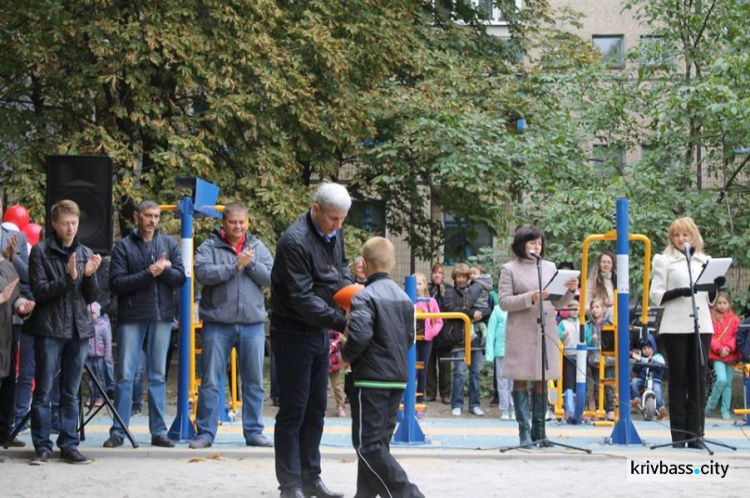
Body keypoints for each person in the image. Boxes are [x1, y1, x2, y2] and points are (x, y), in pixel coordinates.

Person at [270, 182, 351, 498]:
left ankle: (311, 477)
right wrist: (342, 319)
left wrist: (349, 296)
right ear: (316, 209)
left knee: (317, 406)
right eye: (333, 219)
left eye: (342, 219)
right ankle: (290, 484)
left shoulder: (334, 231)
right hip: (292, 330)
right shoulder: (294, 241)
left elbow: (340, 267)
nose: (338, 226)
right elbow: (302, 298)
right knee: (294, 409)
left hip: (319, 329)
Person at [342, 236, 424, 498]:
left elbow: (360, 336)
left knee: (368, 447)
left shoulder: (364, 297)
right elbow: (409, 338)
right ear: (392, 264)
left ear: (363, 265)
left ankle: (408, 494)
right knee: (378, 444)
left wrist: (346, 355)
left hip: (370, 379)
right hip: (397, 377)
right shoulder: (405, 299)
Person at [188, 202, 274, 449]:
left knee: (254, 380)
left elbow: (272, 278)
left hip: (252, 324)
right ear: (223, 223)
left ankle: (254, 431)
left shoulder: (257, 247)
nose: (238, 227)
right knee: (211, 380)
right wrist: (233, 266)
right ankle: (205, 432)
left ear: (248, 223)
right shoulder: (209, 246)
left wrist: (250, 265)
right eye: (233, 222)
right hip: (217, 323)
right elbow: (203, 274)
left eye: (242, 222)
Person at [103, 200, 185, 449]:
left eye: (157, 216)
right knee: (126, 376)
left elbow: (180, 277)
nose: (153, 220)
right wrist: (151, 272)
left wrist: (164, 271)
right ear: (137, 216)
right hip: (132, 318)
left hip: (161, 318)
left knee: (158, 376)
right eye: (148, 215)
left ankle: (158, 431)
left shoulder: (169, 243)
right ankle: (119, 430)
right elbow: (116, 284)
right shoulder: (124, 247)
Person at [27, 200, 101, 465]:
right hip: (49, 328)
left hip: (78, 329)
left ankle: (69, 445)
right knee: (44, 390)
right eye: (66, 223)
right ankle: (42, 447)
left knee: (71, 391)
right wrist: (70, 278)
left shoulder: (85, 252)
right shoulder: (39, 251)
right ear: (55, 224)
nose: (71, 228)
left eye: (75, 223)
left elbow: (92, 297)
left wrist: (90, 276)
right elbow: (41, 291)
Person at [498, 226, 577, 446]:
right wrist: (529, 298)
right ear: (521, 244)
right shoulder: (509, 269)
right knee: (521, 378)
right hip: (521, 330)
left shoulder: (550, 267)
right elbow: (503, 302)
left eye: (540, 243)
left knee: (543, 378)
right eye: (532, 243)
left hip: (546, 329)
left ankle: (540, 432)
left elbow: (557, 303)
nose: (537, 247)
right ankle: (524, 433)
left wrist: (570, 291)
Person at [649, 216, 720, 449]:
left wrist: (714, 287)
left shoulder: (705, 261)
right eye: (677, 235)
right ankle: (679, 435)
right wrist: (681, 291)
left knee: (698, 380)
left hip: (702, 326)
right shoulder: (663, 260)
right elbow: (656, 295)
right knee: (678, 380)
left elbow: (710, 300)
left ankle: (697, 434)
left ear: (694, 237)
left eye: (685, 235)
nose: (681, 239)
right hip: (675, 326)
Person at [0, 198, 31, 448]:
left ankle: (4, 431)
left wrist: (21, 303)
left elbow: (23, 277)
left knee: (9, 375)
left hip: (8, 323)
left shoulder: (14, 237)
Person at [443, 263, 489, 417]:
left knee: (475, 371)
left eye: (464, 276)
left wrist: (481, 313)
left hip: (476, 337)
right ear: (454, 277)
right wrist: (470, 313)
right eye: (459, 276)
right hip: (458, 337)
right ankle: (457, 404)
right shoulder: (450, 292)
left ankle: (475, 404)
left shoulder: (476, 288)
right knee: (460, 372)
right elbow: (450, 308)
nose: (461, 279)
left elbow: (488, 307)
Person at [706, 291, 740, 420]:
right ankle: (711, 404)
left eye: (724, 303)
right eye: (719, 303)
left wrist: (729, 348)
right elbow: (711, 337)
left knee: (728, 384)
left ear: (729, 304)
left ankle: (725, 410)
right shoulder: (712, 319)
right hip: (718, 355)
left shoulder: (735, 320)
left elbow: (738, 336)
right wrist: (720, 349)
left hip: (731, 355)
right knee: (721, 379)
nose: (721, 305)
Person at [558, 295, 589, 420]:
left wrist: (592, 339)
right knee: (569, 382)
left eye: (576, 308)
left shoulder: (583, 323)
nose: (574, 311)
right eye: (571, 308)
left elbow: (588, 337)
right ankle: (568, 409)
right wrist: (562, 334)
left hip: (581, 357)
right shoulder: (563, 323)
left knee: (580, 383)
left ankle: (580, 409)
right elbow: (557, 335)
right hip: (569, 356)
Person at [413, 273, 442, 406]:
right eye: (414, 284)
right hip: (411, 340)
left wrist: (432, 333)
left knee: (423, 369)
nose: (417, 287)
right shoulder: (407, 300)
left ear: (425, 285)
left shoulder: (431, 302)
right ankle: (409, 398)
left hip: (426, 339)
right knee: (411, 370)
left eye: (419, 284)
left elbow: (439, 321)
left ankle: (420, 398)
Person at [586, 297, 615, 420]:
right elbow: (587, 342)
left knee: (609, 386)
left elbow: (612, 344)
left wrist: (608, 359)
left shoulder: (609, 324)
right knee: (597, 386)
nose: (594, 310)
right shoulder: (588, 325)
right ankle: (600, 408)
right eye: (592, 307)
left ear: (603, 309)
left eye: (597, 307)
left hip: (607, 360)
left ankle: (610, 409)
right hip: (595, 360)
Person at [426, 262, 450, 404]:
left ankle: (445, 394)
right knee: (429, 364)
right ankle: (430, 392)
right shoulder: (427, 290)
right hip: (430, 331)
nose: (438, 275)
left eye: (440, 272)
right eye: (435, 272)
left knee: (445, 365)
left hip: (445, 332)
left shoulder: (448, 289)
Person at [486, 295, 512, 420]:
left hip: (516, 352)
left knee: (516, 382)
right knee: (502, 382)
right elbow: (490, 333)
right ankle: (504, 409)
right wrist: (489, 354)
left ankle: (515, 408)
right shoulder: (497, 310)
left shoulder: (519, 309)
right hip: (501, 351)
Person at [630, 334, 666, 419]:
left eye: (649, 348)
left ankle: (660, 408)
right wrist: (639, 362)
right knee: (634, 382)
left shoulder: (658, 357)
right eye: (644, 349)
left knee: (657, 389)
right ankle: (636, 398)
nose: (646, 351)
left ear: (653, 348)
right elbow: (635, 369)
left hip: (654, 380)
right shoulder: (641, 359)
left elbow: (661, 366)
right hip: (643, 381)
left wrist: (649, 361)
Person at [84, 302, 114, 406]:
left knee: (100, 378)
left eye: (93, 313)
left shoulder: (103, 326)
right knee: (90, 379)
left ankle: (101, 396)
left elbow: (108, 342)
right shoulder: (86, 326)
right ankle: (91, 396)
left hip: (99, 357)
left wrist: (108, 356)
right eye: (89, 314)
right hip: (88, 356)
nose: (91, 316)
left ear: (98, 314)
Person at [328, 329, 347, 418]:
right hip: (318, 359)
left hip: (332, 361)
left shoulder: (331, 325)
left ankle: (341, 407)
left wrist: (332, 347)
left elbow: (340, 338)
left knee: (336, 385)